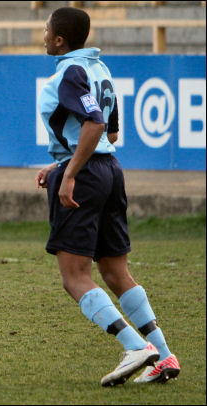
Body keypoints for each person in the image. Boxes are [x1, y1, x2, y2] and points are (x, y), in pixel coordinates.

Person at [35, 7, 179, 386]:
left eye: (47, 29)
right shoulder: (100, 68)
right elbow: (110, 134)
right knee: (116, 272)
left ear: (60, 39)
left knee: (74, 277)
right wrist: (62, 163)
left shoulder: (68, 72)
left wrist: (68, 172)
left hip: (85, 177)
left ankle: (135, 347)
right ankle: (164, 356)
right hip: (111, 172)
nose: (44, 34)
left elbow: (95, 123)